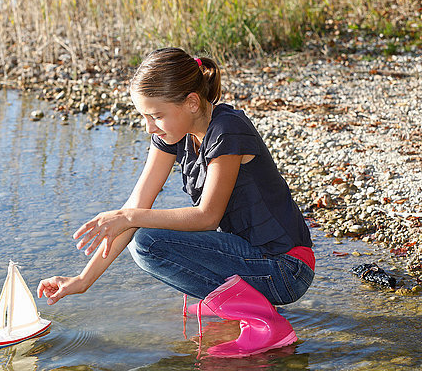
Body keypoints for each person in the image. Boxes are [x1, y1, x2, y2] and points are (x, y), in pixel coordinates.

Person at [37, 47, 315, 358]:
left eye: (156, 116)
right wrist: (82, 280)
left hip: (286, 269)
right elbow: (137, 202)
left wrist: (129, 217)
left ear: (192, 103)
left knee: (147, 241)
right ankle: (235, 302)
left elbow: (206, 216)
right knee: (140, 231)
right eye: (143, 116)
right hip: (252, 258)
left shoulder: (227, 130)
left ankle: (264, 322)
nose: (148, 127)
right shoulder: (174, 134)